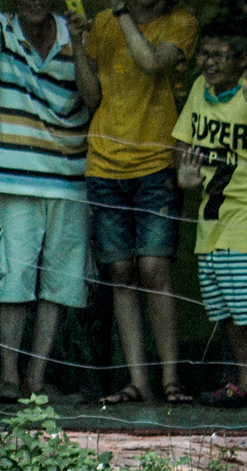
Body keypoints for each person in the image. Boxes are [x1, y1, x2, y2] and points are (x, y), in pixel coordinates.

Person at [0, 0, 95, 403]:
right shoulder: (2, 32)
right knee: (14, 280)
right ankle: (8, 378)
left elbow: (95, 100)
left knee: (60, 282)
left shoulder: (76, 29)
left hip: (71, 179)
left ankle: (35, 381)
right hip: (17, 180)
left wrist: (79, 40)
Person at [77, 0, 199, 405]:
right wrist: (81, 42)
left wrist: (120, 12)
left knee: (153, 268)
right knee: (120, 271)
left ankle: (171, 380)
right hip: (104, 163)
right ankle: (138, 382)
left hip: (156, 161)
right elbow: (91, 97)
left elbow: (149, 61)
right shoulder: (104, 24)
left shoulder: (181, 23)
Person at [172, 19, 247, 408]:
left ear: (242, 60)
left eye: (220, 56)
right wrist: (183, 174)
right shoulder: (200, 89)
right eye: (205, 54)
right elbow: (182, 144)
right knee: (230, 312)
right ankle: (241, 384)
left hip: (244, 219)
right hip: (210, 221)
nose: (209, 63)